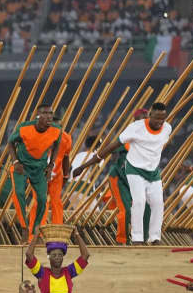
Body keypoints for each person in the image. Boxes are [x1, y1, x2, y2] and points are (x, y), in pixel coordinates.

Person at [82, 103, 170, 244]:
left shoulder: (165, 130)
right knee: (130, 207)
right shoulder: (129, 137)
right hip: (122, 177)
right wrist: (90, 162)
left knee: (153, 205)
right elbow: (111, 150)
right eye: (138, 120)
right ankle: (124, 240)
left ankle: (150, 237)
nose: (141, 122)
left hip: (149, 175)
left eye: (162, 119)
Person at [74, 109, 152, 245]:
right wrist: (83, 167)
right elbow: (102, 154)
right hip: (120, 179)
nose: (144, 122)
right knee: (125, 209)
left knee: (146, 207)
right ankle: (122, 241)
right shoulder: (126, 137)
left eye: (146, 119)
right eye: (141, 120)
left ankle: (142, 239)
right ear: (134, 122)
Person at [8, 103, 62, 242]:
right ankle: (24, 227)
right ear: (38, 115)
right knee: (18, 193)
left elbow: (56, 146)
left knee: (43, 199)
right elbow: (10, 142)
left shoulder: (56, 130)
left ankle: (35, 229)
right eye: (45, 113)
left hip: (39, 169)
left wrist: (51, 165)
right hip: (21, 166)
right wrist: (15, 162)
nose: (49, 116)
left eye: (51, 113)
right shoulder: (24, 127)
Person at [46, 117, 72, 225]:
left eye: (60, 127)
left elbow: (66, 158)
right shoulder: (44, 136)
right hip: (43, 170)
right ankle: (39, 228)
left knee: (55, 201)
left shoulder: (66, 138)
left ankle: (57, 226)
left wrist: (65, 175)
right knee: (43, 200)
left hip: (57, 173)